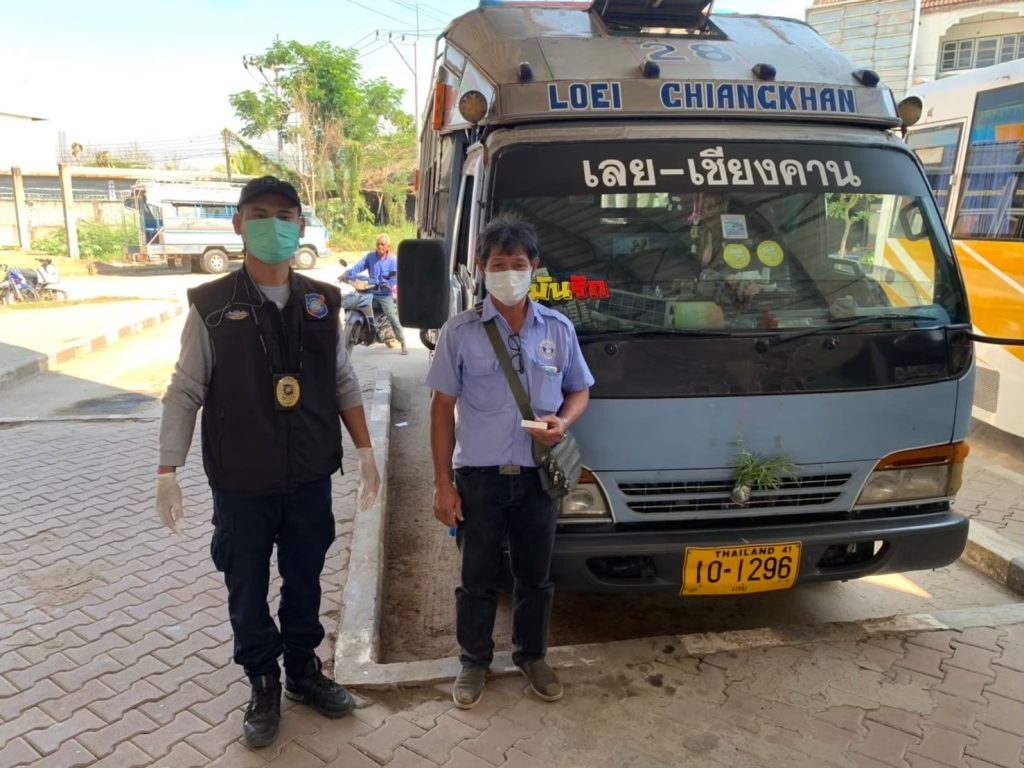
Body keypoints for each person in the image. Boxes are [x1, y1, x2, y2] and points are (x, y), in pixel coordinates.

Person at [153, 176, 382, 750]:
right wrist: (167, 470)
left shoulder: (322, 301)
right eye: (259, 214)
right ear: (238, 224)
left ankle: (303, 671)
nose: (273, 225)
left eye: (285, 215)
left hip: (308, 475)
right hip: (243, 481)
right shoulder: (211, 306)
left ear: (300, 226)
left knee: (305, 577)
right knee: (246, 585)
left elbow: (342, 379)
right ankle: (262, 681)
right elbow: (185, 391)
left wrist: (365, 451)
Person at [426, 216, 594, 709]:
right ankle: (473, 660)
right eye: (498, 265)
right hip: (479, 479)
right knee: (476, 577)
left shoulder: (558, 329)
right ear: (481, 269)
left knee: (535, 576)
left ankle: (532, 656)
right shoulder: (459, 332)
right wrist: (442, 484)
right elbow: (440, 409)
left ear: (534, 267)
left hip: (539, 478)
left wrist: (564, 421)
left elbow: (580, 390)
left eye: (518, 264)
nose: (508, 274)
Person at [340, 233, 407, 354]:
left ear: (388, 247)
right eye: (378, 244)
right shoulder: (370, 256)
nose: (380, 246)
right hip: (370, 290)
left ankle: (402, 342)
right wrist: (347, 274)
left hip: (384, 295)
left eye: (382, 244)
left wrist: (389, 284)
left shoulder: (392, 261)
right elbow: (358, 267)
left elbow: (395, 276)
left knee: (392, 316)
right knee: (354, 302)